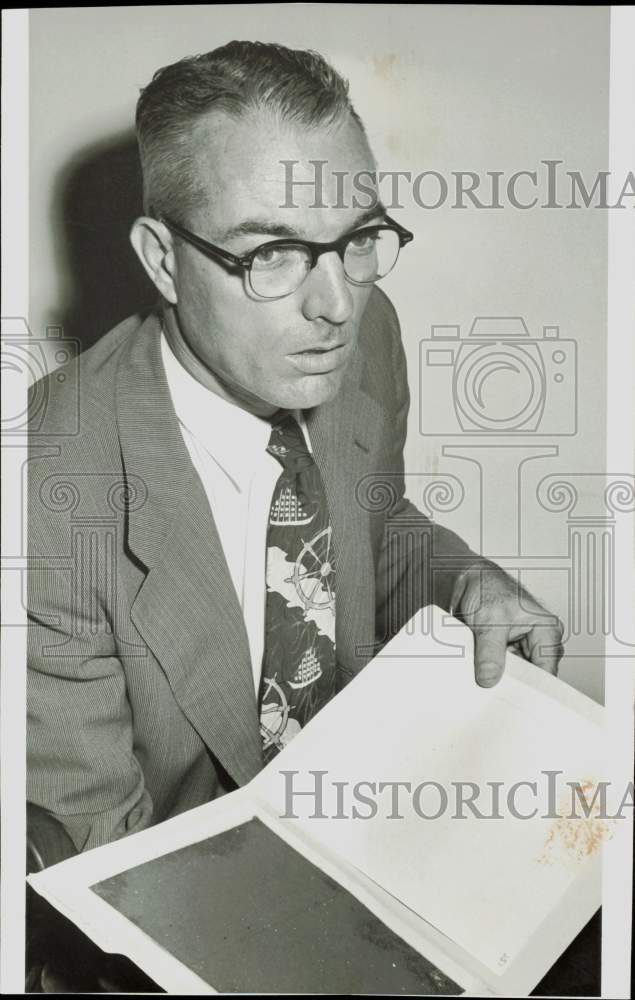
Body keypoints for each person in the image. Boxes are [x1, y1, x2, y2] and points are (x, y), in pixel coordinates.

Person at [27, 41, 564, 861]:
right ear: (162, 259)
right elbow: (112, 874)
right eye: (270, 252)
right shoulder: (41, 495)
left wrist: (462, 583)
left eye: (356, 239)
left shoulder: (366, 336)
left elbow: (371, 527)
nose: (335, 303)